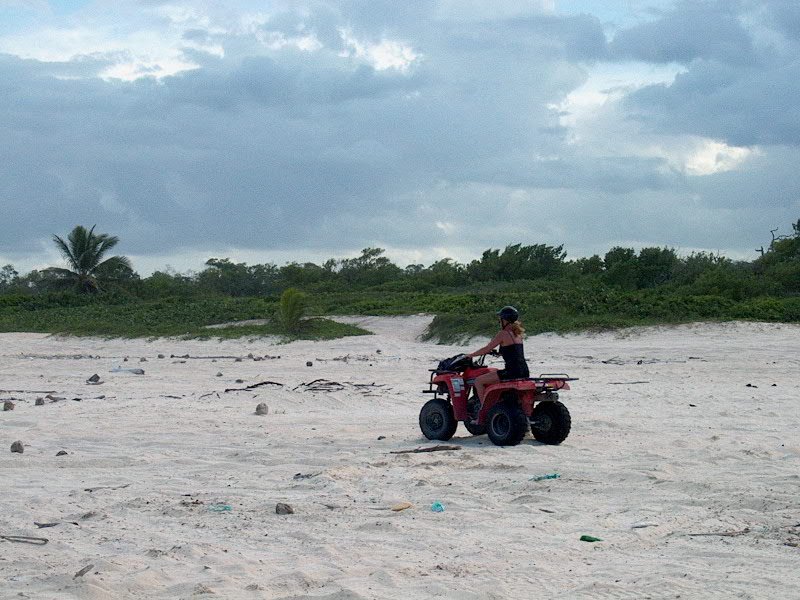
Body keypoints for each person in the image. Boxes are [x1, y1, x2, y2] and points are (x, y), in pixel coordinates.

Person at [466, 306, 529, 404]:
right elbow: (513, 351)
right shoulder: (518, 334)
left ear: (505, 320)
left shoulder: (503, 333)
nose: (499, 322)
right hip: (524, 371)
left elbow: (486, 349)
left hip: (511, 372)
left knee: (478, 381)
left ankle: (484, 409)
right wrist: (498, 352)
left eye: (500, 320)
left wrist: (471, 355)